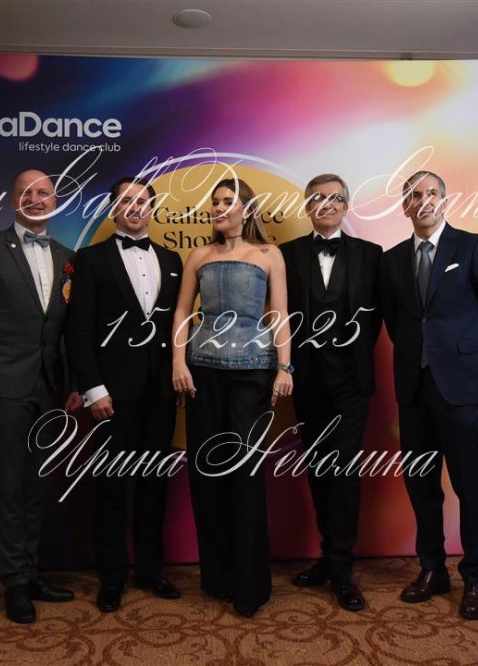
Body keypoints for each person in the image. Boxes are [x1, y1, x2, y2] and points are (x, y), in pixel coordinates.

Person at [379, 170, 478, 620]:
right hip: (413, 389)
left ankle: (476, 576)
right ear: (405, 206)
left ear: (445, 201)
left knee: (469, 485)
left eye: (432, 193)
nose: (424, 200)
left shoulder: (472, 247)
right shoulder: (392, 261)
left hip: (462, 388)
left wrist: (470, 363)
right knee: (421, 486)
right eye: (415, 195)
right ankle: (432, 569)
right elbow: (397, 323)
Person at [0, 169, 82, 624]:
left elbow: (69, 332)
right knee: (12, 488)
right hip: (4, 389)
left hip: (49, 389)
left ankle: (31, 575)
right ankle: (13, 584)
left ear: (55, 201)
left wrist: (73, 384)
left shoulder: (68, 257)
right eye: (27, 192)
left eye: (44, 192)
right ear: (14, 201)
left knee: (34, 489)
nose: (36, 199)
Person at [171, 177, 293, 618]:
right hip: (201, 375)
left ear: (247, 209)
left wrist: (285, 367)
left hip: (253, 374)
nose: (219, 208)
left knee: (245, 478)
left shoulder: (269, 255)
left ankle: (250, 586)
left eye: (228, 201)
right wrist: (178, 363)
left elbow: (279, 314)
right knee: (208, 477)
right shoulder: (199, 255)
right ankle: (217, 579)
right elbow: (182, 311)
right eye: (215, 202)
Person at [66, 177, 183, 613]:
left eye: (143, 201)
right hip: (111, 396)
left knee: (155, 486)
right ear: (114, 208)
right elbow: (78, 331)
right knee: (111, 488)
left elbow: (179, 327)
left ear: (152, 208)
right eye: (126, 201)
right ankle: (111, 577)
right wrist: (93, 389)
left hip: (161, 394)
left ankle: (150, 570)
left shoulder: (172, 259)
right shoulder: (90, 260)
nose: (135, 207)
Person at [280, 174, 382, 612]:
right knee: (319, 470)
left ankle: (341, 568)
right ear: (308, 207)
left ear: (345, 205)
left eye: (335, 198)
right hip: (306, 382)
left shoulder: (371, 255)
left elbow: (378, 318)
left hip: (351, 384)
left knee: (344, 473)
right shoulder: (286, 254)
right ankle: (329, 555)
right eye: (318, 198)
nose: (327, 204)